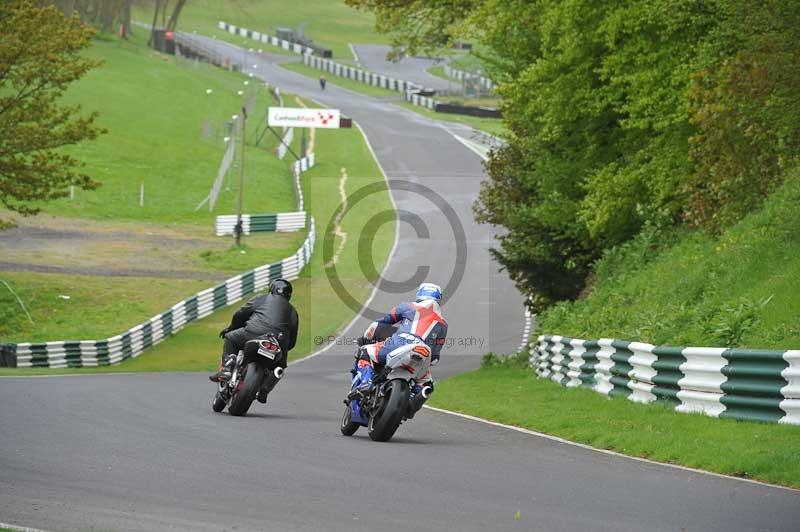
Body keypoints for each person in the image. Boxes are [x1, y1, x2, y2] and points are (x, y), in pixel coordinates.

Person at [353, 282, 447, 416]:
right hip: (423, 353)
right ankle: (412, 403)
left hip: (398, 344)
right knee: (427, 385)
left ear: (419, 294)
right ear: (438, 298)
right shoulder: (443, 324)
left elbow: (382, 322)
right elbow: (435, 357)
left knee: (366, 351)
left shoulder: (406, 306)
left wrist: (367, 337)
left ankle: (366, 383)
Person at [209, 279, 299, 404]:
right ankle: (264, 390)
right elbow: (292, 341)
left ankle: (227, 368)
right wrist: (282, 348)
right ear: (289, 295)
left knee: (230, 338)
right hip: (278, 342)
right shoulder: (293, 312)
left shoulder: (262, 299)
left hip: (253, 333)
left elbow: (240, 314)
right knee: (279, 367)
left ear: (271, 289)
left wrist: (231, 328)